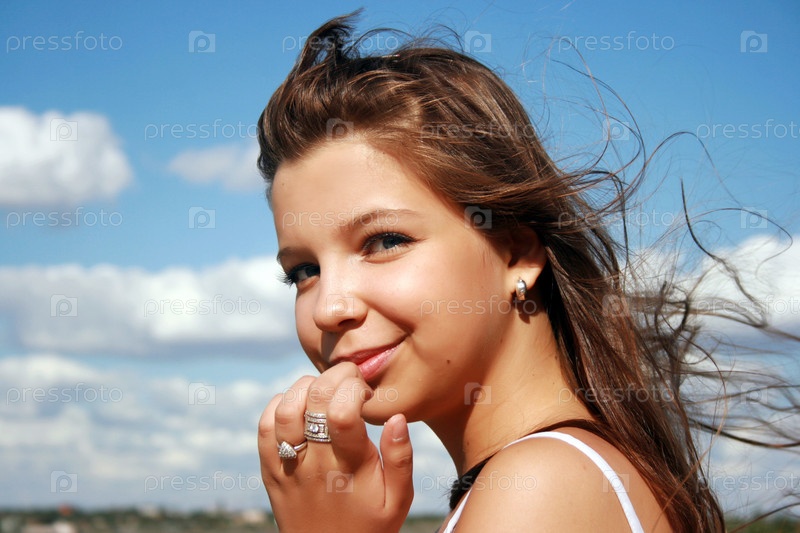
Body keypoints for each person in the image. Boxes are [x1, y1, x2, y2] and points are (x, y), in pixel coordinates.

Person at [256, 12, 798, 533]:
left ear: (517, 253)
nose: (328, 307)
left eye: (385, 241)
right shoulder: (549, 474)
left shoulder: (540, 486)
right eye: (303, 270)